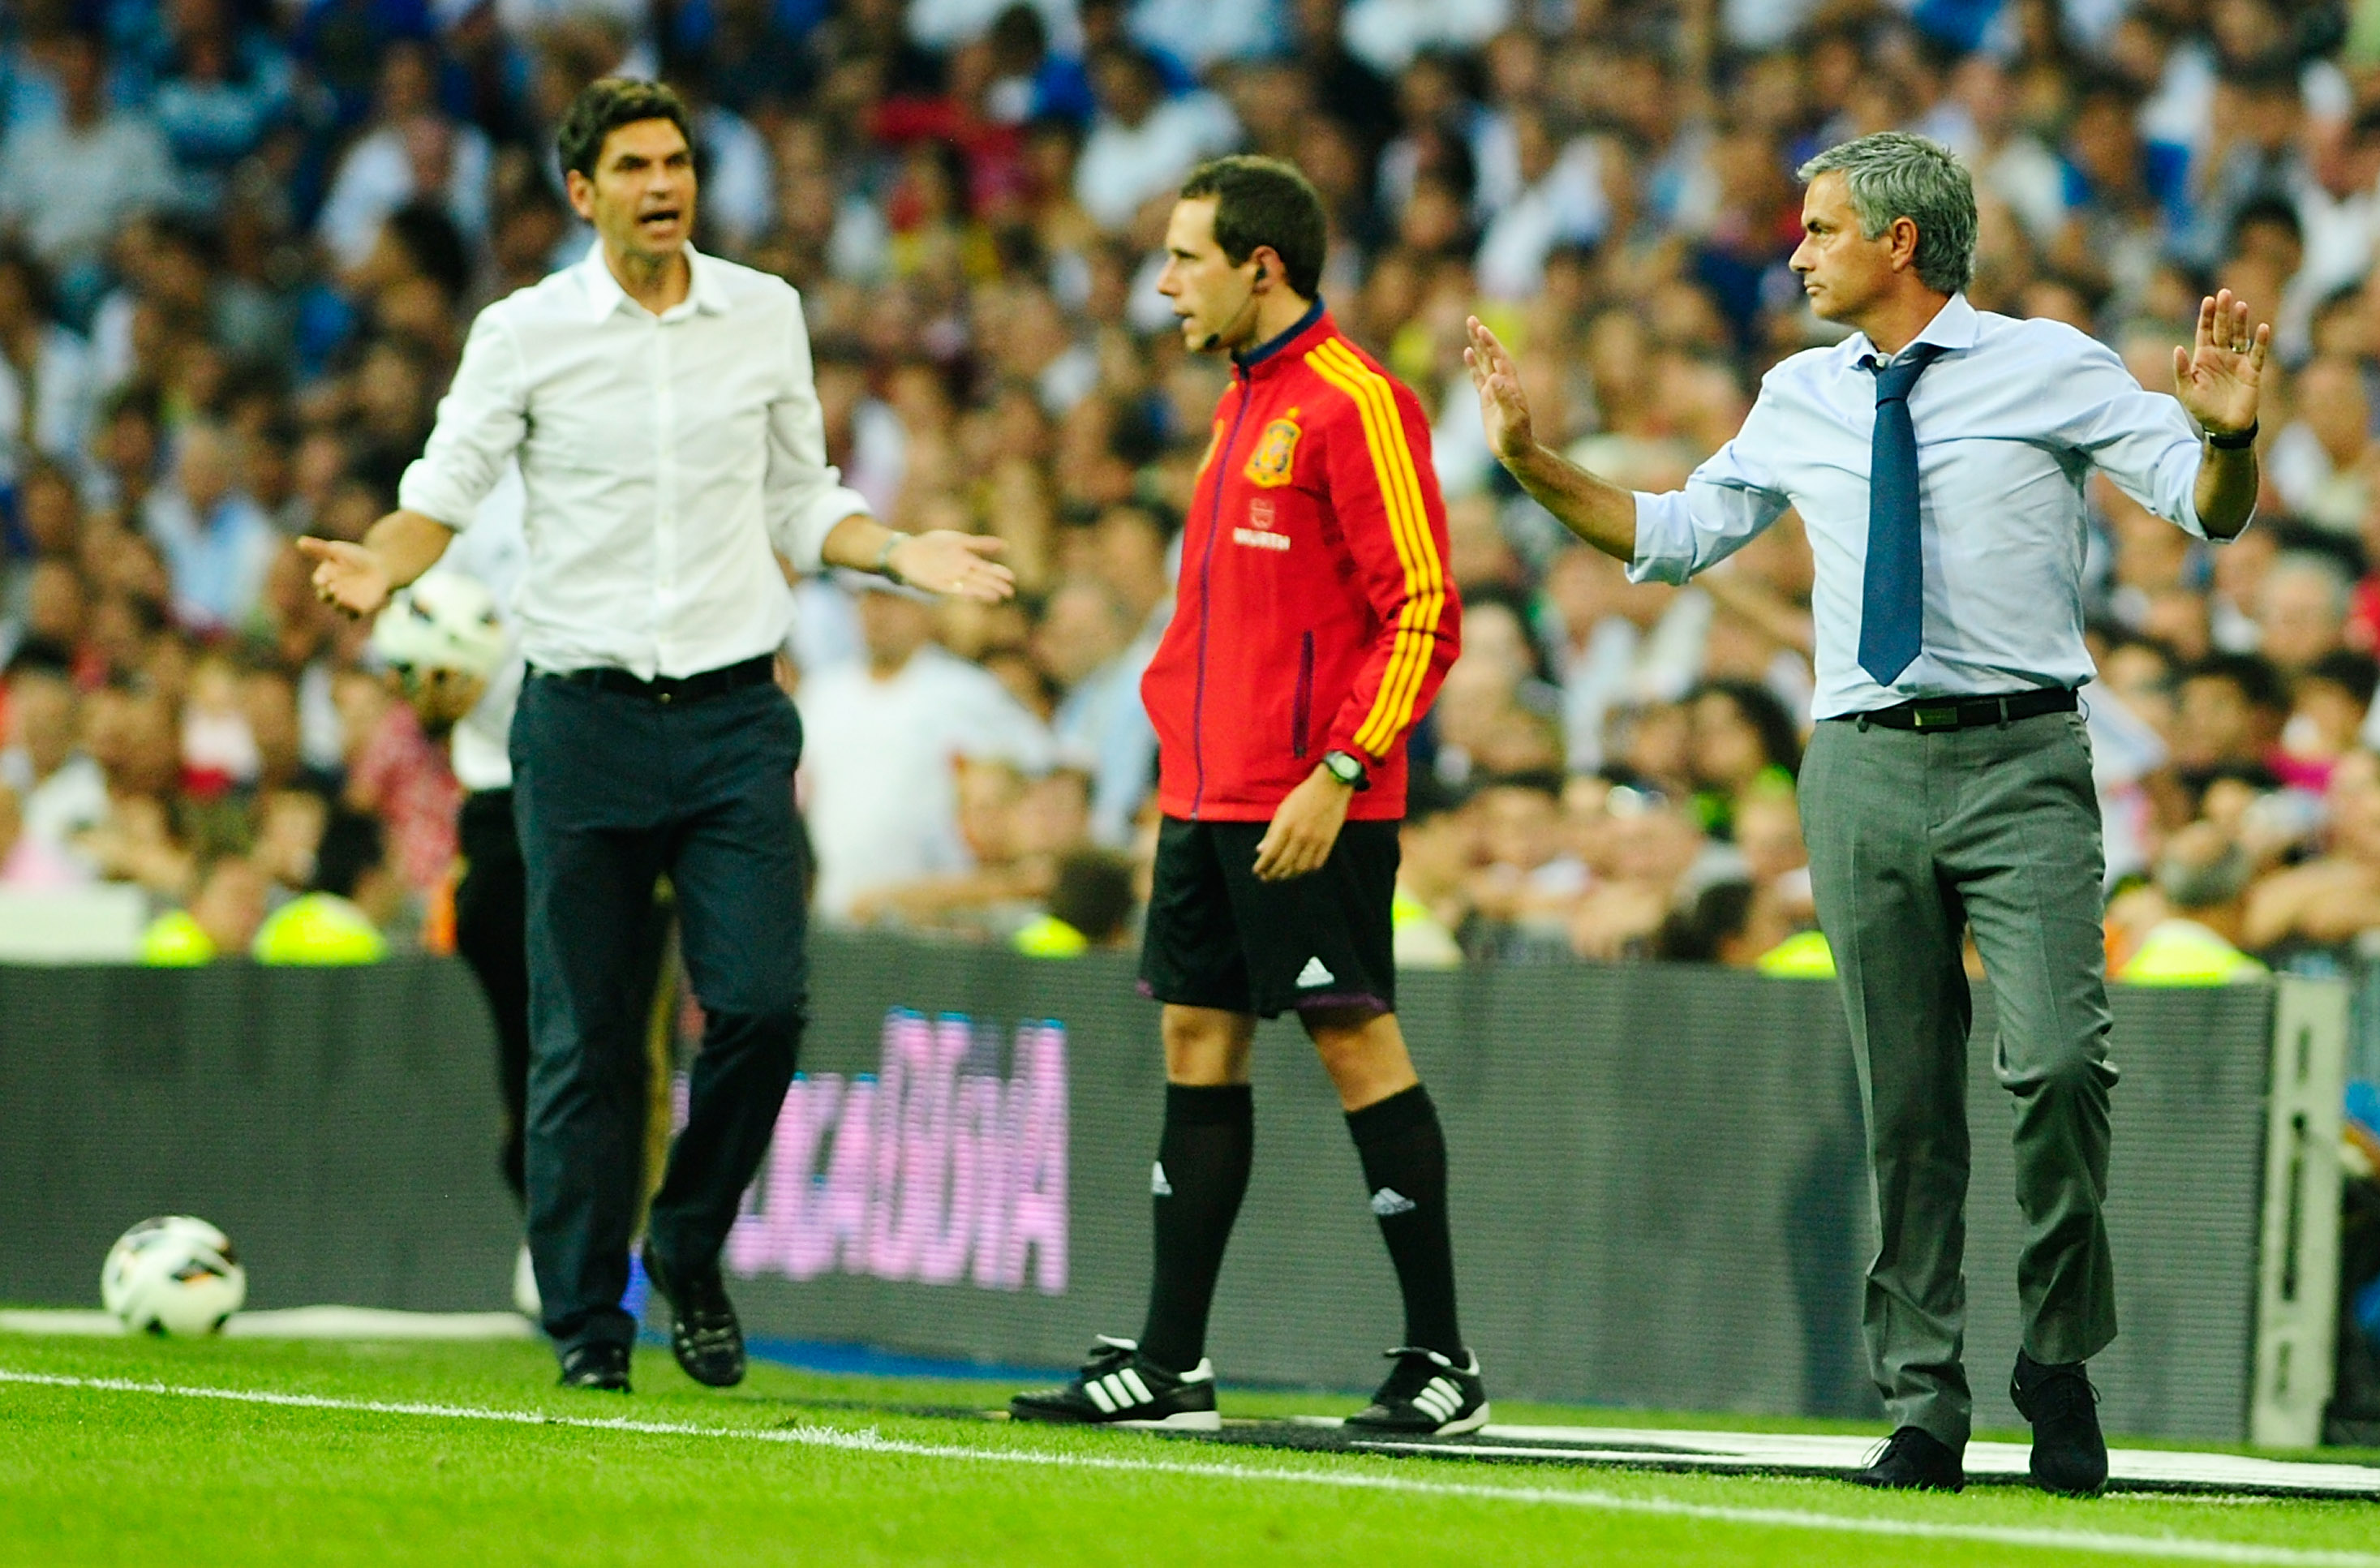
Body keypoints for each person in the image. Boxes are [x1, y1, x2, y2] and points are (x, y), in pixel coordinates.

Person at [1464, 131, 2267, 1496]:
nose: (1796, 250)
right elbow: (1670, 533)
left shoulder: (2051, 364)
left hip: (2022, 763)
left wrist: (2233, 435)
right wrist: (1533, 461)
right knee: (1904, 1104)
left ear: (1900, 241)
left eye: (1821, 227)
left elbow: (2209, 510)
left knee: (2062, 1065)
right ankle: (1925, 1401)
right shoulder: (1796, 394)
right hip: (1860, 765)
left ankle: (2056, 1356)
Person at [299, 78, 1013, 1396]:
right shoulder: (522, 334)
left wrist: (902, 550)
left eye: (676, 159)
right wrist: (381, 567)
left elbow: (803, 500)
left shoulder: (767, 315)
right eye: (632, 165)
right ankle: (587, 1323)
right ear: (583, 194)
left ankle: (686, 1239)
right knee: (584, 1037)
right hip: (580, 722)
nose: (661, 183)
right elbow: (439, 495)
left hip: (737, 712)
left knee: (762, 1007)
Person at [1011, 156, 1478, 1436]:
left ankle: (1442, 1360)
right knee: (1197, 1044)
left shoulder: (1353, 399)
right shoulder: (1237, 402)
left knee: (1354, 1040)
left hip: (1308, 797)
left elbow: (1426, 611)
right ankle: (1172, 1363)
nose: (1162, 282)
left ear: (1259, 265)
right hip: (1206, 795)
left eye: (1184, 257)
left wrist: (1338, 769)